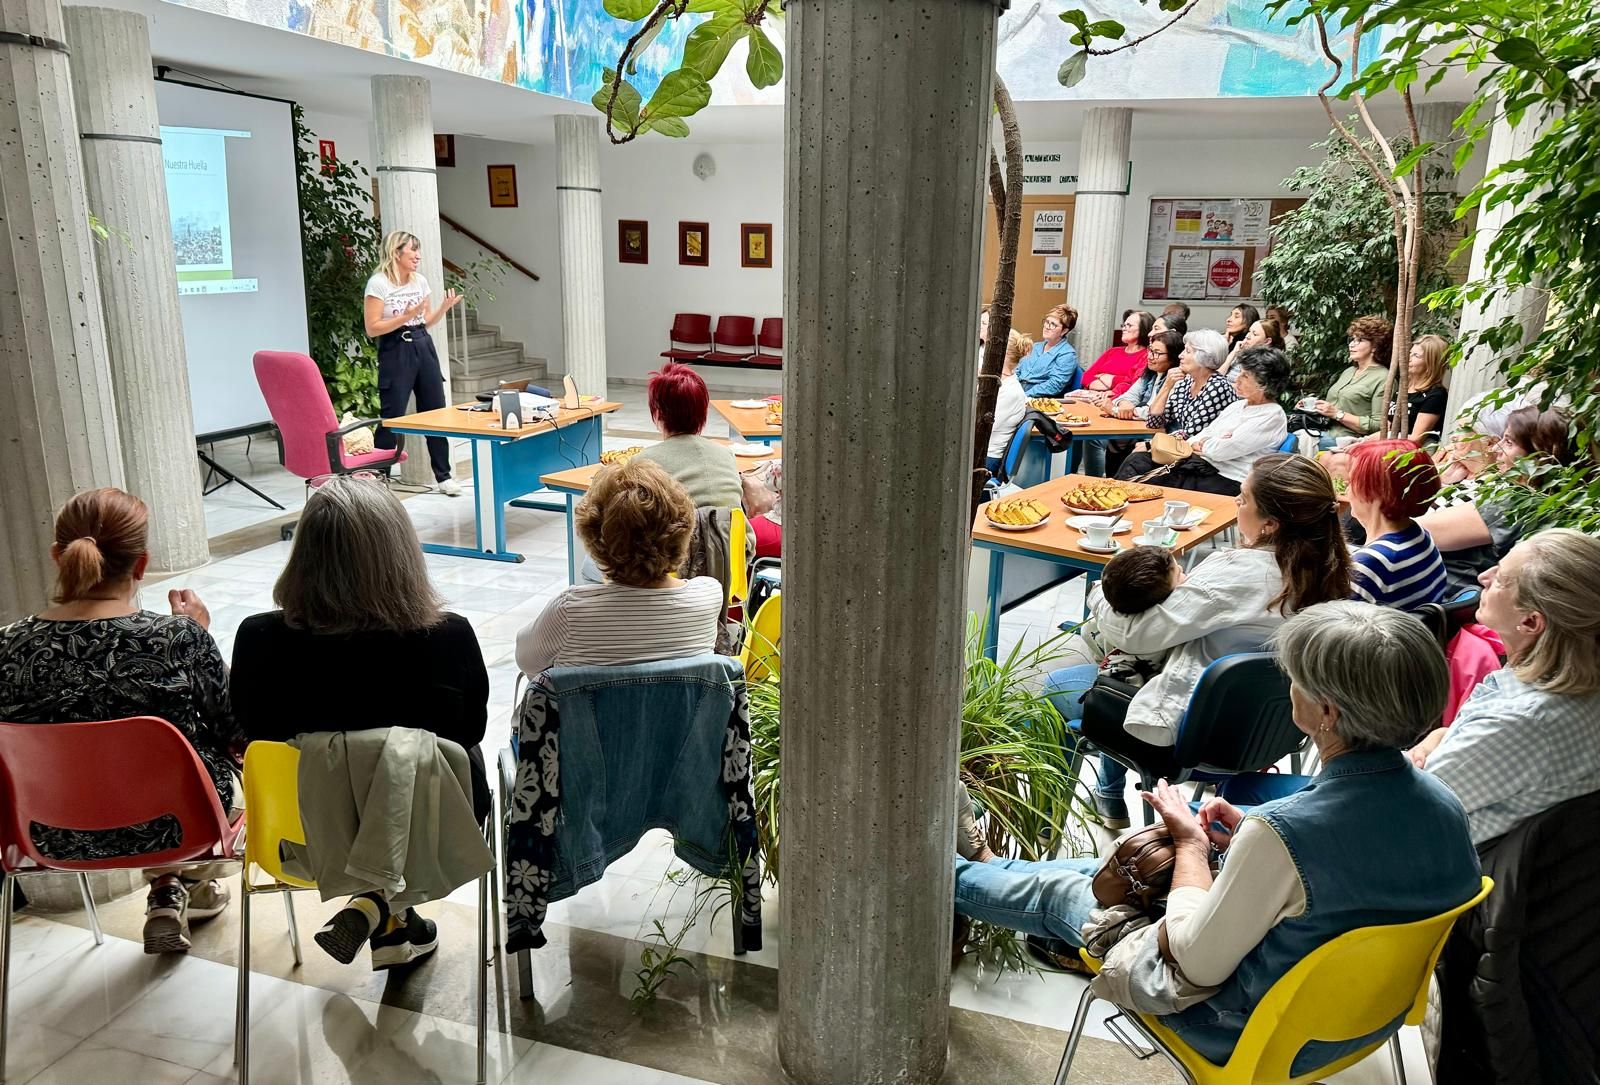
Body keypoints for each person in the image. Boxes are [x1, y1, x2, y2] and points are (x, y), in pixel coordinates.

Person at [959, 602, 1479, 1077]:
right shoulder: (1445, 803)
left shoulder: (1282, 834)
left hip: (1246, 1027)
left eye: (1295, 678)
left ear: (1327, 713)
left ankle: (936, 873)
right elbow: (1354, 848)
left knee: (1068, 893)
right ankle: (977, 861)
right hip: (1368, 1017)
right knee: (1102, 868)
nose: (1288, 686)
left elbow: (1196, 961)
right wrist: (1252, 821)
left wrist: (1192, 847)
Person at [230, 474, 490, 969]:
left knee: (347, 767)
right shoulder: (449, 638)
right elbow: (468, 733)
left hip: (301, 833)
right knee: (442, 757)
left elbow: (252, 728)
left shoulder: (258, 638)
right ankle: (380, 906)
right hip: (433, 831)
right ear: (400, 553)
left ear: (304, 554)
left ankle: (375, 907)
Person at [0, 488, 241, 955]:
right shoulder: (176, 638)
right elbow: (236, 734)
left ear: (58, 556)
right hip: (175, 829)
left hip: (48, 835)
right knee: (207, 766)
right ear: (142, 564)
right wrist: (201, 639)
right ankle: (181, 880)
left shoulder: (7, 647)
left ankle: (169, 886)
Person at [1047, 454, 1351, 825]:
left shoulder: (1241, 572)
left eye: (1242, 499)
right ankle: (1108, 797)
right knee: (1122, 673)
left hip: (1192, 735)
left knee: (1060, 685)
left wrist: (1097, 594)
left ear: (1270, 523)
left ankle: (1045, 821)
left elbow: (1136, 634)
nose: (1235, 505)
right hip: (1270, 733)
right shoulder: (1335, 575)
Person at [1413, 530, 1600, 844]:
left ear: (1530, 622)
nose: (1484, 576)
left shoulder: (1522, 722)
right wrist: (1442, 735)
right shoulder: (1576, 684)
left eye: (1501, 579)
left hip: (1444, 876)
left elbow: (1401, 804)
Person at [517, 457, 724, 678]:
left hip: (590, 714)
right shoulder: (708, 595)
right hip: (680, 713)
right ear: (683, 530)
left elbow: (525, 660)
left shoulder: (570, 610)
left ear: (593, 537)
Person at [1418, 406, 1574, 593]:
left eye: (1508, 442)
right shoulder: (1545, 499)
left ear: (1539, 454)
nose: (1496, 448)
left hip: (1437, 595)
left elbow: (1406, 532)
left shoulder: (1518, 502)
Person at [364, 230, 465, 496]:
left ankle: (444, 477)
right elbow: (373, 328)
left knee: (435, 412)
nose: (418, 256)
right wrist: (406, 315)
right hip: (395, 348)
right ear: (396, 253)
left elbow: (426, 320)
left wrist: (443, 307)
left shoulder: (419, 281)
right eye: (413, 251)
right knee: (392, 414)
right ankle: (378, 478)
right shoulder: (378, 284)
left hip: (422, 343)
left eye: (418, 250)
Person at [1119, 347, 1290, 497]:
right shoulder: (1239, 405)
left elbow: (1220, 451)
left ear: (1265, 384)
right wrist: (1209, 441)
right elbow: (1201, 436)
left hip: (1227, 479)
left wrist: (1208, 444)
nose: (1237, 379)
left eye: (1245, 376)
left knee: (1150, 485)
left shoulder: (1272, 416)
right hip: (1201, 465)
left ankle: (1117, 516)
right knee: (1138, 461)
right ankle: (1108, 512)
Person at [1345, 440, 1448, 609]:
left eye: (1351, 483)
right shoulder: (1420, 534)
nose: (1347, 491)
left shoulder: (1368, 565)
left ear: (1376, 492)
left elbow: (1330, 631)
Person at [633, 361, 743, 510]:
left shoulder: (643, 462)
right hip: (734, 532)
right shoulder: (726, 454)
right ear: (703, 412)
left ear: (657, 413)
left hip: (681, 533)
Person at [1078, 545, 1184, 688]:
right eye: (1179, 575)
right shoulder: (1159, 629)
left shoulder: (1112, 608)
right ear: (1160, 603)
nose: (1183, 571)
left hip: (1103, 648)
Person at [1128, 329, 1238, 449]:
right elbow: (1154, 422)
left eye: (1188, 351)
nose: (1181, 355)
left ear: (1204, 357)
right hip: (1181, 447)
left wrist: (1150, 446)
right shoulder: (1186, 381)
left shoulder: (1218, 388)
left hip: (1203, 454)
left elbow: (1191, 434)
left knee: (1138, 457)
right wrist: (1167, 386)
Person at [1078, 311, 1154, 475]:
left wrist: (1108, 379)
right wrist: (1109, 383)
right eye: (1124, 325)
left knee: (1093, 438)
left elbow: (1133, 384)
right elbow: (1086, 377)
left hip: (1121, 408)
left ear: (1143, 330)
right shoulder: (1113, 352)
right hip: (1097, 403)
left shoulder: (1147, 355)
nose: (1124, 328)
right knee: (1076, 430)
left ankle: (1094, 481)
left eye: (1129, 325)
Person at [1306, 315, 1393, 448]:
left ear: (1375, 346)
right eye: (1352, 339)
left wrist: (1337, 414)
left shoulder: (1384, 378)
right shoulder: (1348, 372)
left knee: (1295, 441)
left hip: (1350, 441)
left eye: (1360, 340)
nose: (1352, 344)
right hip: (1323, 431)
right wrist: (1314, 406)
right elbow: (1333, 406)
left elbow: (1379, 426)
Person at [984, 328, 1036, 476]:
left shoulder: (1011, 391)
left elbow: (983, 428)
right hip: (980, 451)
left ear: (1002, 353)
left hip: (987, 458)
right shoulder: (999, 382)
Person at [1392, 333, 1449, 445]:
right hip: (1389, 445)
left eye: (1416, 356)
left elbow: (1416, 439)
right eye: (1410, 353)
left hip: (1410, 453)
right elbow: (1388, 424)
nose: (1408, 358)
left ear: (1430, 363)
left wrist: (1389, 435)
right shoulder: (1404, 388)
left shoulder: (1435, 395)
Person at [1015, 305, 1081, 397]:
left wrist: (1024, 396)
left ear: (1064, 331)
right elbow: (1017, 370)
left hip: (1038, 397)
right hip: (1017, 389)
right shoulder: (1035, 346)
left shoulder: (1067, 354)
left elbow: (1054, 385)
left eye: (1053, 324)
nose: (1047, 327)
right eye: (1047, 322)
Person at [1220, 317, 1286, 379]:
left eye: (1254, 334)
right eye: (1249, 331)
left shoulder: (1265, 363)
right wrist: (1234, 352)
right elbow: (1218, 375)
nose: (1247, 336)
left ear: (1267, 341)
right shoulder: (1241, 353)